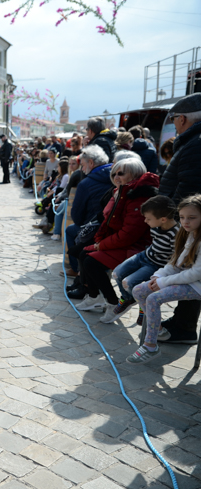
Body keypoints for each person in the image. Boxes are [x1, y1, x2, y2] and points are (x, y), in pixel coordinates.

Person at [73, 158, 157, 316]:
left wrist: (101, 245)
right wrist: (99, 240)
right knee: (83, 252)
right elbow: (106, 221)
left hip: (137, 247)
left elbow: (129, 234)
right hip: (120, 241)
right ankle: (94, 296)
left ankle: (113, 302)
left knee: (91, 261)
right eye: (114, 173)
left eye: (121, 173)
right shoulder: (120, 191)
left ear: (134, 174)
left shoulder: (139, 196)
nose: (116, 177)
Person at [130, 194, 201, 364]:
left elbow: (196, 273)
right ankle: (158, 330)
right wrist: (160, 275)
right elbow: (177, 262)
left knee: (154, 297)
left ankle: (150, 345)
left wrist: (164, 282)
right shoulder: (189, 234)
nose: (185, 222)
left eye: (191, 218)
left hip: (197, 285)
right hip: (187, 280)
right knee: (139, 290)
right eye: (182, 217)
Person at [155, 93, 201, 344]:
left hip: (188, 221)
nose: (174, 123)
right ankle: (183, 322)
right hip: (187, 219)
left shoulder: (195, 144)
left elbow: (189, 190)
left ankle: (185, 327)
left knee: (189, 267)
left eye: (174, 119)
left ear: (182, 119)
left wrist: (180, 221)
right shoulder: (193, 141)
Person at [101, 195, 178, 324]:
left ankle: (144, 305)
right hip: (144, 255)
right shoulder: (156, 225)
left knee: (128, 282)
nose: (145, 221)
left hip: (155, 264)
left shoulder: (176, 234)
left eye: (148, 219)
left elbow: (175, 258)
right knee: (116, 273)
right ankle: (128, 299)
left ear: (163, 219)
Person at [65, 145, 113, 292]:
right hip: (114, 226)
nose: (82, 169)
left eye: (83, 165)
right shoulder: (117, 175)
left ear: (91, 163)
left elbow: (77, 217)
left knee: (72, 231)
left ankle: (78, 273)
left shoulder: (86, 183)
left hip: (97, 228)